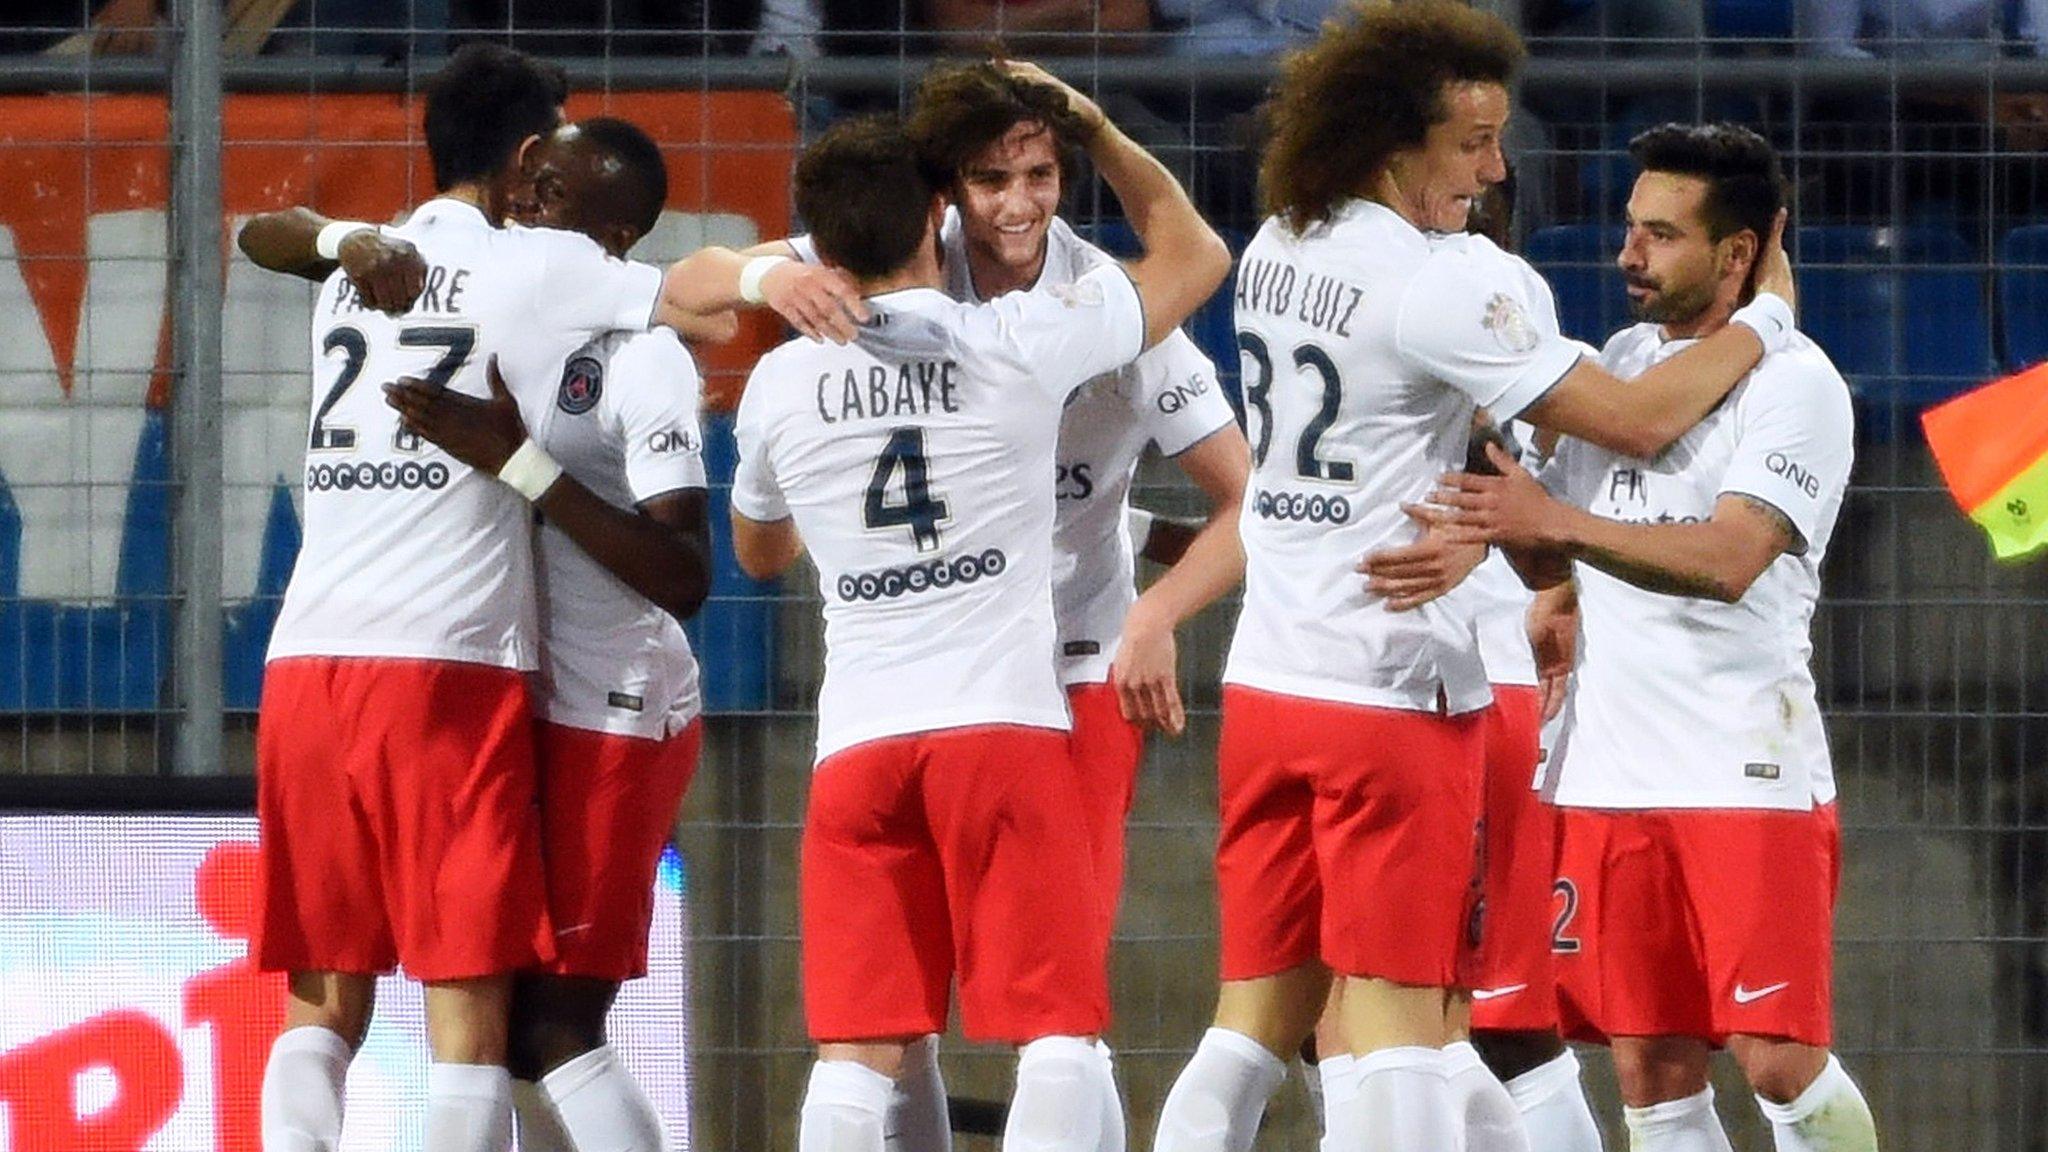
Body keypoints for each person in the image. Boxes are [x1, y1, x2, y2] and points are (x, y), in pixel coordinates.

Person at [1154, 3, 1800, 1150]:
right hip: (1391, 690)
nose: (1495, 167)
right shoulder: (1449, 277)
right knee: (1406, 1028)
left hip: (1266, 683)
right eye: (1471, 142)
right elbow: (1642, 422)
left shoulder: (1275, 244)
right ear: (1389, 142)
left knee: (1251, 1027)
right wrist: (1767, 324)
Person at [237, 44, 862, 1152]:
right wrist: (776, 278)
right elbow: (692, 288)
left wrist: (343, 235)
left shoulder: (352, 267)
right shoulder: (533, 267)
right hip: (442, 664)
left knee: (321, 995)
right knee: (473, 1006)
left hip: (304, 661)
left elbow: (260, 231)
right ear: (528, 158)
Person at [770, 59, 1250, 1152]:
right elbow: (710, 277)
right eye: (993, 179)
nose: (1023, 203)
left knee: (1056, 998)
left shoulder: (1112, 310)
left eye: (1042, 173)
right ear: (945, 193)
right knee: (920, 1013)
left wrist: (1154, 616)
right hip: (952, 678)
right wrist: (759, 285)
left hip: (1073, 668)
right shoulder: (877, 267)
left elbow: (1242, 504)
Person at [1433, 123, 1879, 1152]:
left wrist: (1560, 528)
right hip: (1603, 771)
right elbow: (1549, 559)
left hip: (1741, 767)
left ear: (1738, 254)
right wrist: (1522, 528)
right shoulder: (1624, 367)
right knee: (1649, 1067)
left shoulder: (1794, 383)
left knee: (1778, 1058)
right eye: (1630, 229)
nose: (1626, 255)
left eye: (1660, 235)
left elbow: (1729, 559)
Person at [379, 115, 712, 1152]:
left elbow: (683, 572)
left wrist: (518, 464)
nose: (522, 206)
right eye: (525, 185)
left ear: (613, 236)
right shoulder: (507, 318)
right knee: (497, 1015)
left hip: (620, 703)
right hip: (526, 698)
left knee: (553, 1025)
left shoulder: (645, 358)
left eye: (553, 195)